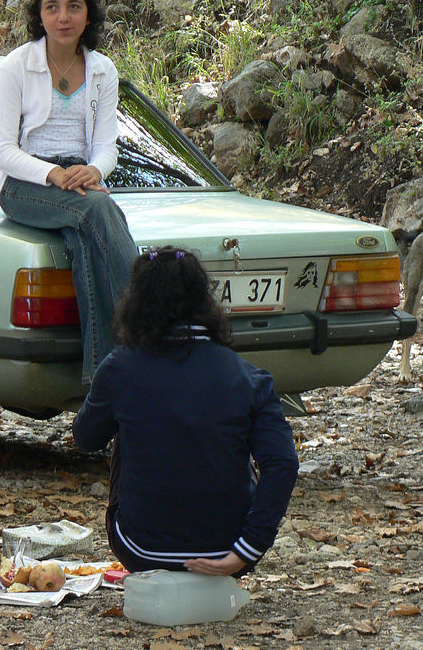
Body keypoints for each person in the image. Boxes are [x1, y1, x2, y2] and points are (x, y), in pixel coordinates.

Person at [72, 246, 299, 576]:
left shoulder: (119, 368)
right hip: (227, 553)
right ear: (205, 301)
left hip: (140, 551)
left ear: (135, 304)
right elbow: (283, 464)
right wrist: (245, 553)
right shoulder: (249, 378)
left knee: (126, 430)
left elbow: (86, 438)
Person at [0, 0, 138, 384]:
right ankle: (146, 321)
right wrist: (53, 173)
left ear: (88, 15)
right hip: (24, 182)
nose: (63, 17)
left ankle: (102, 382)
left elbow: (107, 146)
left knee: (86, 244)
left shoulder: (103, 69)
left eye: (73, 7)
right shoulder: (17, 65)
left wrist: (94, 169)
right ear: (40, 16)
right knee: (96, 209)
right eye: (52, 7)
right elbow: (2, 151)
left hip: (79, 183)